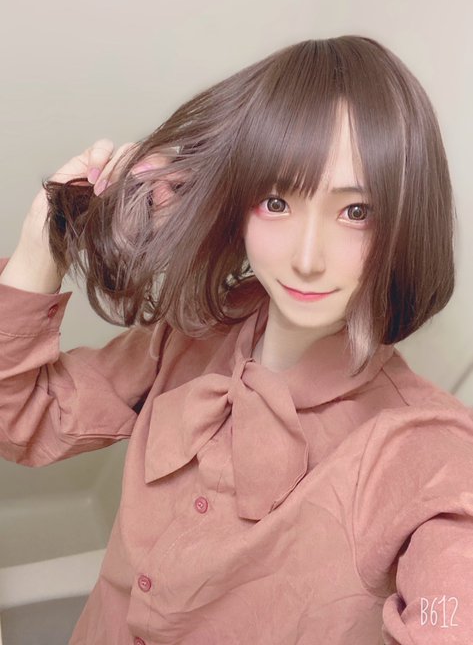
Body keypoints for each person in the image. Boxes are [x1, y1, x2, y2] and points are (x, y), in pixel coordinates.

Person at [0, 35, 472, 644]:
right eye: (276, 201)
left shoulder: (429, 454)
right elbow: (19, 416)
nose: (307, 258)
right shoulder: (191, 333)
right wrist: (51, 237)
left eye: (357, 212)